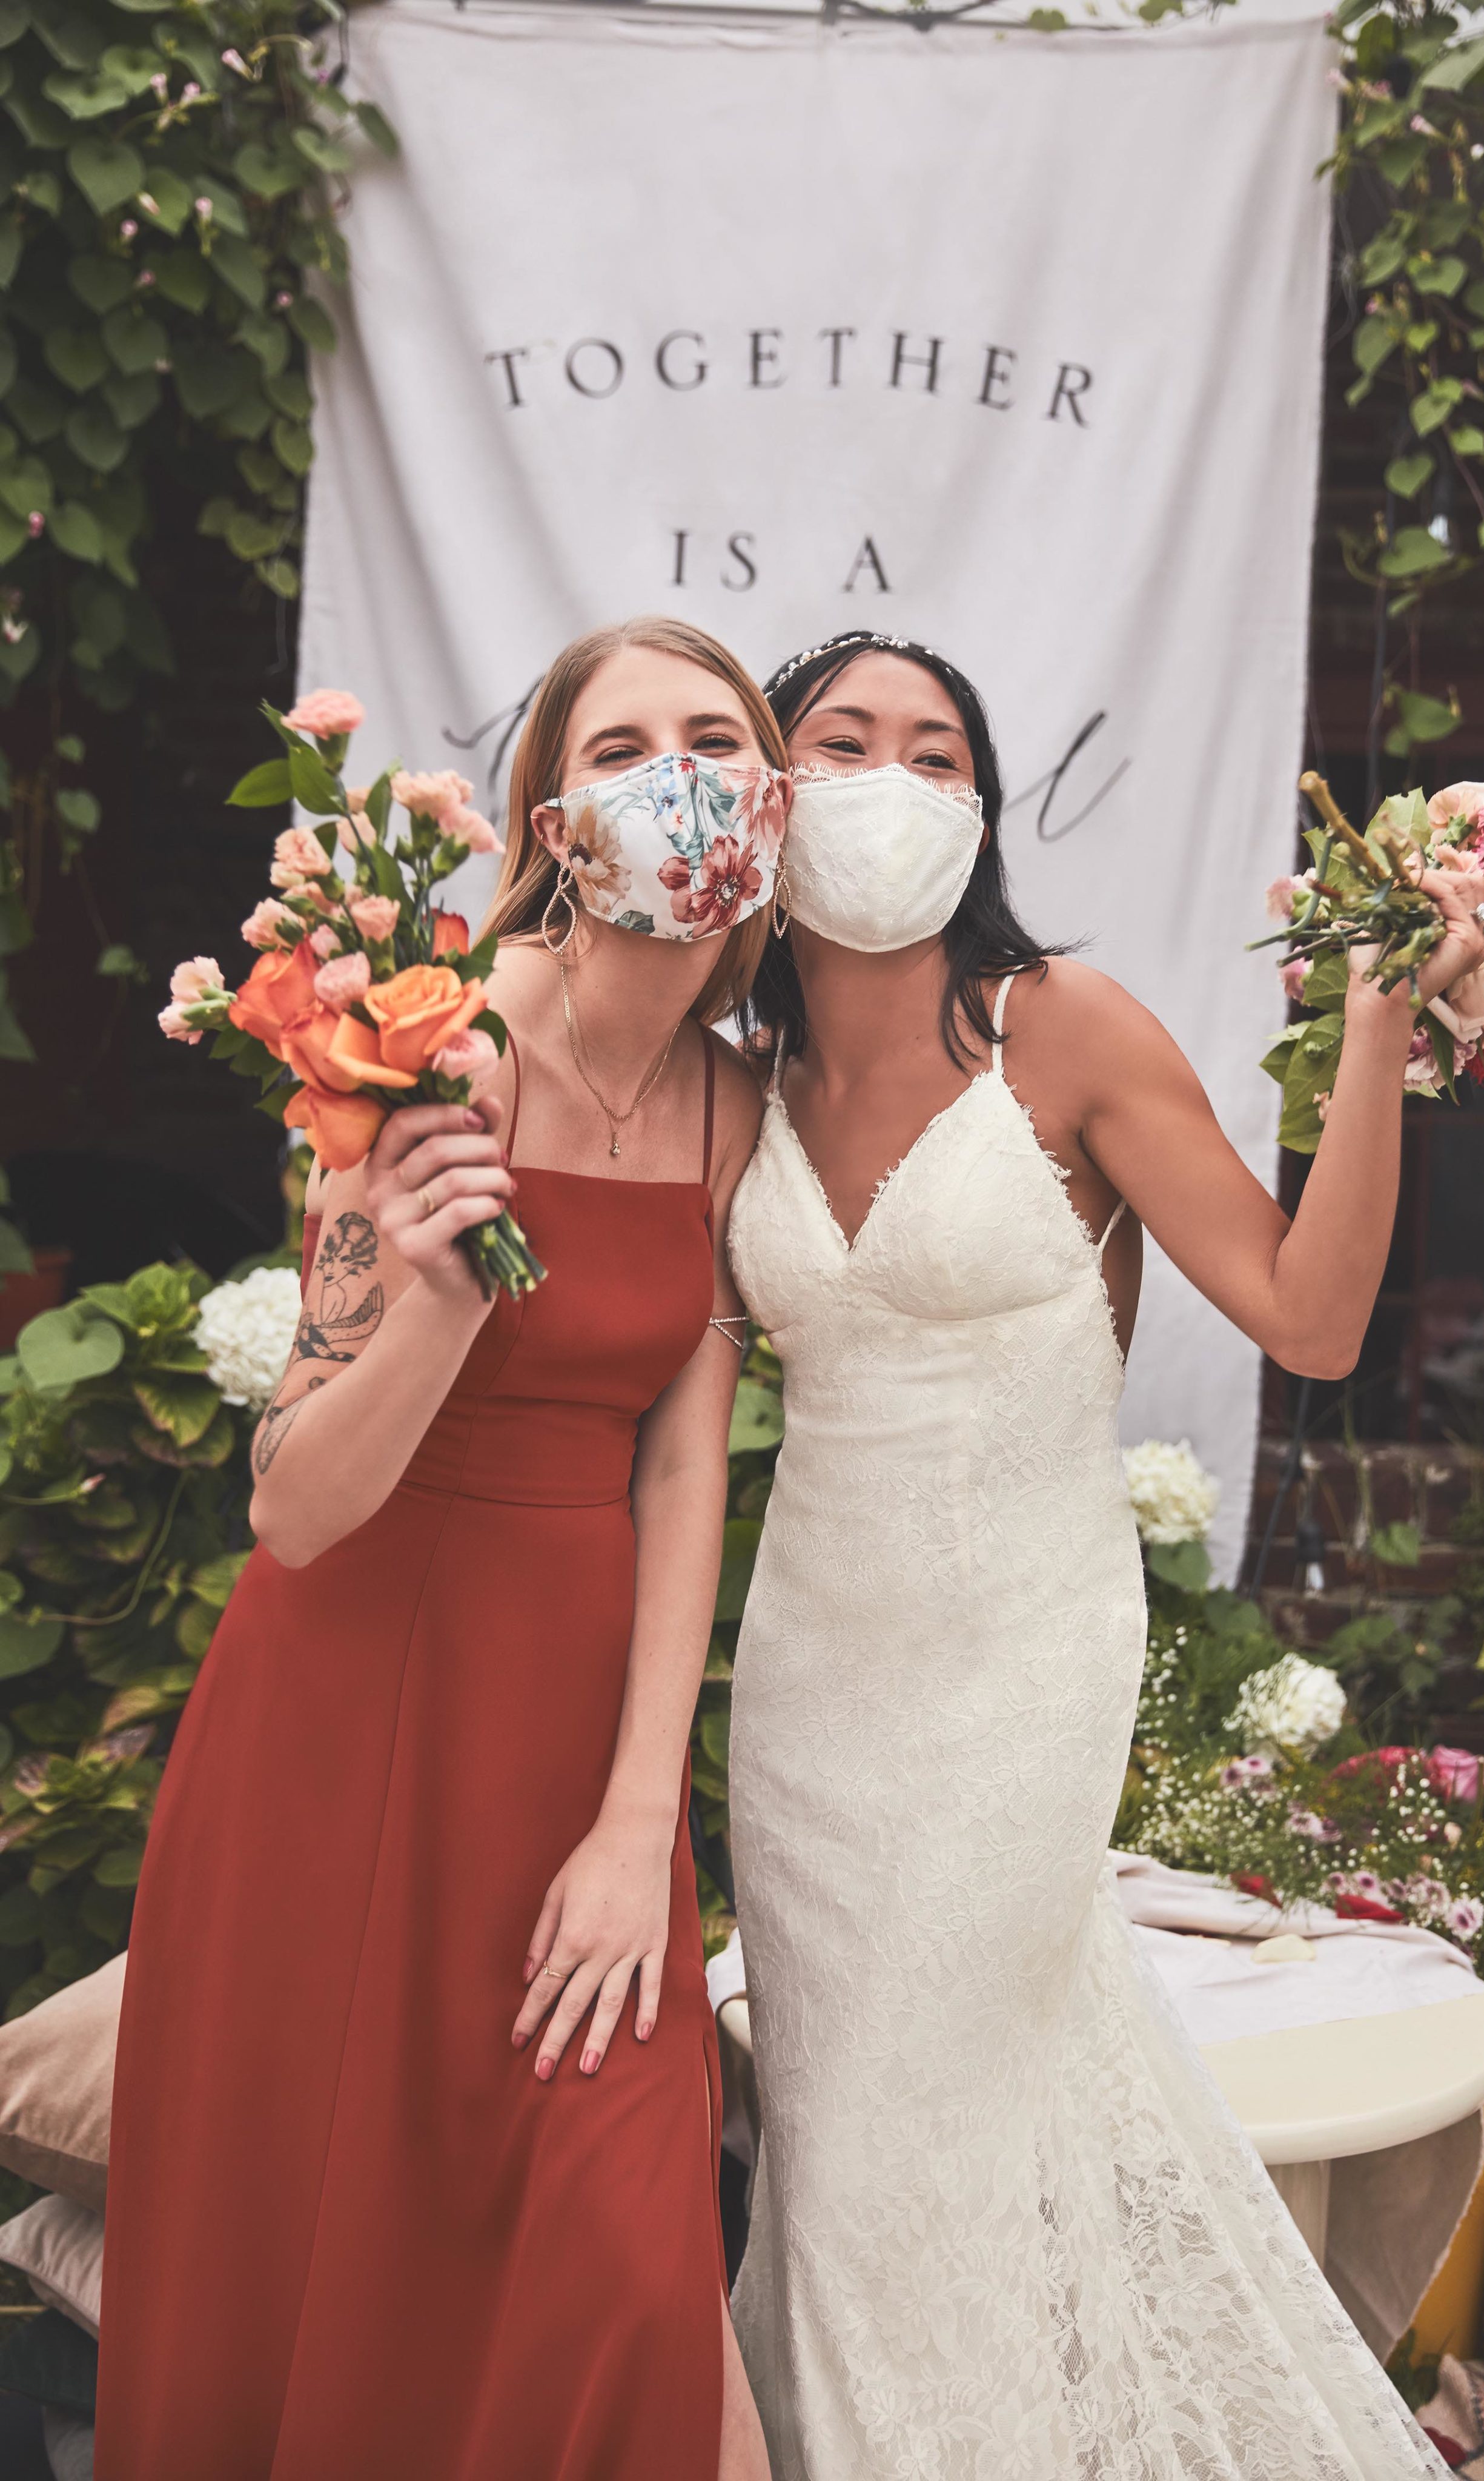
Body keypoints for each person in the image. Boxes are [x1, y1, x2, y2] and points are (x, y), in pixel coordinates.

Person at [724, 628, 1484, 2479]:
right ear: (766, 782)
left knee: (934, 2108)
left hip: (1016, 1671)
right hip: (811, 1689)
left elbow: (1307, 1318)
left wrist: (1378, 1025)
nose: (890, 784)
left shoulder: (1056, 1024)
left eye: (934, 755)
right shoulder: (731, 1059)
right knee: (835, 2140)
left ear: (978, 807)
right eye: (844, 741)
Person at [99, 618, 786, 2481]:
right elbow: (292, 1503)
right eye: (629, 745)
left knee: (628, 2271)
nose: (681, 778)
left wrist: (646, 1818)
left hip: (574, 1738)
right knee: (324, 2259)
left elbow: (679, 1475)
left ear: (775, 798)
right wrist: (431, 1298)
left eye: (717, 739)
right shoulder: (430, 1041)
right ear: (557, 821)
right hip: (343, 1707)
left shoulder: (740, 1105)